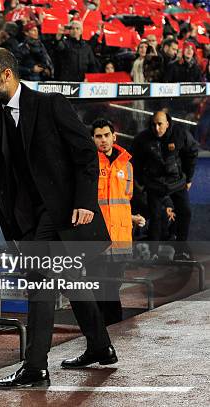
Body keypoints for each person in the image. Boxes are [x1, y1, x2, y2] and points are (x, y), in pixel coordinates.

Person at [0, 48, 115, 389]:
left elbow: (85, 153)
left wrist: (85, 202)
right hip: (25, 218)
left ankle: (35, 367)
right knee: (66, 279)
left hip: (61, 213)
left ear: (6, 75)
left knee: (40, 283)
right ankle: (100, 347)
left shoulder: (50, 105)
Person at [91, 119, 145, 325]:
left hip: (121, 237)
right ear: (93, 139)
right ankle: (98, 331)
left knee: (114, 286)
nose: (103, 140)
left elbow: (123, 201)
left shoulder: (127, 165)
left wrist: (132, 217)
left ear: (115, 137)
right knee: (99, 286)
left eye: (106, 135)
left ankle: (113, 328)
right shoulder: (90, 164)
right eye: (98, 136)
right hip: (98, 237)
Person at [132, 111, 198, 259]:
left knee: (185, 212)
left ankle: (180, 251)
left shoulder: (180, 134)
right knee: (155, 217)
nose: (157, 128)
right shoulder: (142, 139)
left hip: (177, 182)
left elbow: (192, 152)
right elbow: (135, 161)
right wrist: (141, 182)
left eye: (160, 124)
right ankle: (153, 253)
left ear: (167, 123)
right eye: (153, 124)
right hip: (154, 184)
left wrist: (189, 179)